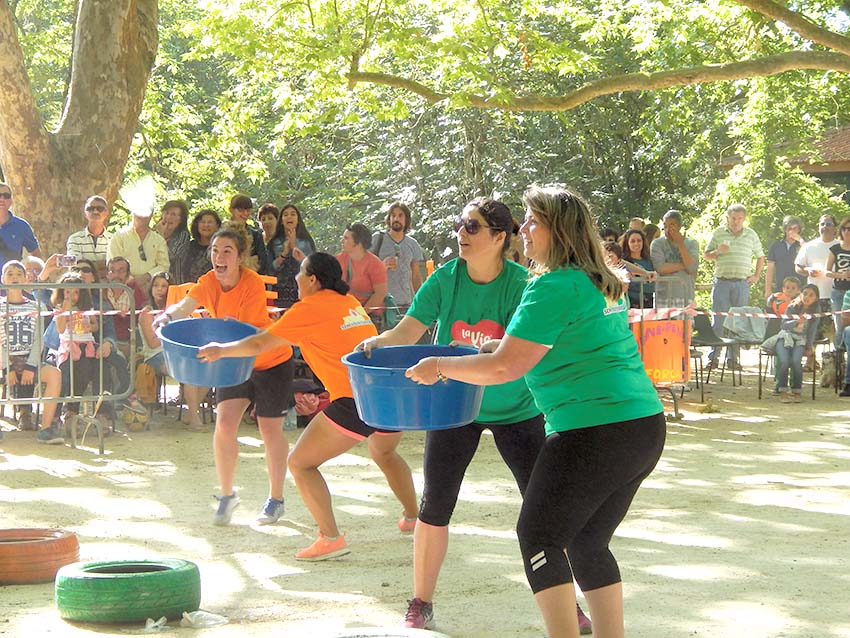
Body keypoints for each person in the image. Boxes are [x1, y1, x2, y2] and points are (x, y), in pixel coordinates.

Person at [407, 185, 665, 638]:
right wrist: (497, 347)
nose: (522, 229)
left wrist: (440, 365)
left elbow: (505, 367)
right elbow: (560, 345)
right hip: (642, 428)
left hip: (593, 431)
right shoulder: (597, 279)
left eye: (532, 221)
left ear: (557, 230)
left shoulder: (550, 285)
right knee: (587, 542)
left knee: (540, 537)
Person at [356, 198, 591, 633]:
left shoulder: (524, 284)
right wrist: (379, 342)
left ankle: (569, 604)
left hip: (517, 411)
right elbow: (411, 327)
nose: (461, 234)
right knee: (434, 508)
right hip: (454, 410)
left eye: (472, 227)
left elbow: (527, 353)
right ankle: (420, 603)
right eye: (460, 225)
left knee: (546, 513)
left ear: (500, 238)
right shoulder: (445, 278)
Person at [196, 252, 418, 561]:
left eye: (301, 273)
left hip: (356, 400)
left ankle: (330, 538)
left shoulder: (310, 307)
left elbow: (260, 344)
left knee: (299, 463)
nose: (296, 279)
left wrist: (221, 350)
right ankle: (413, 517)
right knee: (384, 452)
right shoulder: (349, 302)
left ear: (313, 280)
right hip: (389, 395)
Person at [154, 227, 294, 525]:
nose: (219, 257)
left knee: (270, 431)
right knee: (225, 425)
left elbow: (244, 332)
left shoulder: (252, 283)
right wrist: (166, 317)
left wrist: (219, 339)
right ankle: (228, 495)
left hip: (269, 360)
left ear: (240, 257)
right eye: (215, 251)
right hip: (233, 362)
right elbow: (186, 305)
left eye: (227, 251)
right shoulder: (208, 281)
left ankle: (276, 499)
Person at [0, 260, 62, 443]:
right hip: (4, 360)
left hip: (28, 360)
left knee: (54, 375)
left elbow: (38, 340)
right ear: (2, 278)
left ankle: (46, 429)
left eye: (19, 274)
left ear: (26, 279)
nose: (14, 278)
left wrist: (31, 365)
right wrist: (7, 367)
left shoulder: (37, 307)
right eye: (9, 274)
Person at [703, 204, 764, 370]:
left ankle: (733, 359)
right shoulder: (718, 232)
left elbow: (760, 256)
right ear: (727, 218)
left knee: (738, 322)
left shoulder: (751, 234)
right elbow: (706, 255)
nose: (736, 221)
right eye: (733, 218)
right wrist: (718, 251)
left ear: (744, 219)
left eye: (739, 218)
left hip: (742, 283)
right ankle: (713, 358)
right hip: (722, 281)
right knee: (718, 321)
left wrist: (756, 276)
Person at [795, 214, 838, 369]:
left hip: (835, 294)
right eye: (822, 224)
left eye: (828, 223)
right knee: (811, 330)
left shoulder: (841, 245)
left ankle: (835, 363)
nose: (824, 227)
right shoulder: (809, 246)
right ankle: (810, 361)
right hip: (813, 296)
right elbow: (798, 266)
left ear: (835, 228)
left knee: (833, 332)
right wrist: (808, 271)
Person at [370, 202, 424, 312]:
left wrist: (422, 301)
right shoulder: (377, 239)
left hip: (406, 305)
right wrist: (382, 266)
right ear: (389, 219)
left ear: (406, 220)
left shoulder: (412, 244)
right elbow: (363, 268)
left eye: (400, 215)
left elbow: (416, 276)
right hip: (381, 304)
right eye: (393, 215)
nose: (396, 218)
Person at [773, 284, 819, 403]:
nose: (807, 297)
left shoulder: (816, 312)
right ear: (800, 294)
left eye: (811, 295)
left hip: (800, 340)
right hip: (785, 337)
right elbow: (783, 325)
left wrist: (809, 347)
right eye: (805, 294)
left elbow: (812, 331)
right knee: (784, 361)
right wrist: (796, 321)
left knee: (796, 362)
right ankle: (783, 391)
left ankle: (797, 392)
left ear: (816, 299)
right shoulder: (792, 307)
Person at [107, 204, 169, 291]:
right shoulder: (118, 237)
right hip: (123, 288)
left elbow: (164, 266)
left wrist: (147, 276)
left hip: (150, 288)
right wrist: (133, 280)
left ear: (151, 214)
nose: (142, 215)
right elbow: (113, 263)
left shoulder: (159, 240)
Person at [337, 223, 388, 323]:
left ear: (358, 243)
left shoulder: (375, 264)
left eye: (346, 238)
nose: (341, 241)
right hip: (346, 313)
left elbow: (380, 294)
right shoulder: (340, 259)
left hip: (370, 316)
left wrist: (359, 315)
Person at [649, 210, 699, 306]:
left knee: (685, 321)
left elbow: (692, 268)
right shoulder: (657, 243)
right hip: (664, 297)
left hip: (686, 296)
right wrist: (685, 265)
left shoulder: (692, 243)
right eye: (665, 225)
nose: (668, 229)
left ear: (679, 226)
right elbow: (661, 268)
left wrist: (680, 244)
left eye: (672, 225)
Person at [272, 203, 316, 307]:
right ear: (281, 221)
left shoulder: (306, 242)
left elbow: (313, 268)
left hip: (302, 289)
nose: (289, 217)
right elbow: (271, 268)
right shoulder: (274, 242)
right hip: (280, 291)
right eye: (285, 214)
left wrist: (295, 248)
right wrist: (285, 252)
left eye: (293, 214)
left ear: (298, 220)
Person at [66, 195, 113, 279]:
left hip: (108, 289)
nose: (95, 211)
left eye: (100, 208)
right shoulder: (74, 239)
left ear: (106, 213)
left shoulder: (114, 239)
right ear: (85, 213)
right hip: (83, 289)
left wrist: (87, 267)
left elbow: (115, 268)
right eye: (90, 209)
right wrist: (104, 264)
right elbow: (75, 267)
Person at [0, 182, 40, 274]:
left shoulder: (21, 226)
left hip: (13, 284)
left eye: (6, 195)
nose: (2, 199)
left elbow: (35, 253)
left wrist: (34, 278)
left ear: (11, 200)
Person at [227, 194, 271, 275]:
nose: (245, 213)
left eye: (248, 210)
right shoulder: (221, 232)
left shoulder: (256, 235)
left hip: (249, 278)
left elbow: (263, 263)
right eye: (240, 210)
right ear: (231, 210)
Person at [764, 216, 803, 303]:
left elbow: (810, 255)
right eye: (789, 228)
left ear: (799, 230)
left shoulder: (803, 244)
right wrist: (768, 289)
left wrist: (800, 240)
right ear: (785, 230)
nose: (792, 231)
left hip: (799, 289)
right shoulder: (776, 245)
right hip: (780, 287)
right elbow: (770, 268)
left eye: (795, 228)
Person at [177, 209, 221, 284]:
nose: (206, 225)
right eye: (203, 222)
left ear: (217, 226)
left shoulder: (219, 248)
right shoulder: (189, 246)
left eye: (210, 222)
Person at [139, 272, 170, 376]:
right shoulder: (147, 312)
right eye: (155, 285)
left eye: (164, 286)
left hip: (175, 351)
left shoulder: (176, 310)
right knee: (181, 368)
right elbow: (152, 344)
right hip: (155, 354)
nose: (159, 289)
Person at [826, 216, 850, 346]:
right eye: (844, 229)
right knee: (840, 327)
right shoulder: (835, 249)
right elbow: (827, 272)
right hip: (838, 292)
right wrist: (841, 274)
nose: (847, 232)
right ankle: (837, 361)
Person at [154, 200, 191, 282]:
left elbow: (170, 257)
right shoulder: (153, 233)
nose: (168, 217)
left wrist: (161, 236)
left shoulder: (183, 235)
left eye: (173, 214)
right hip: (155, 282)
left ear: (181, 219)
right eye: (166, 213)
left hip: (175, 282)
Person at [620, 229, 656, 309]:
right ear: (627, 243)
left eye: (639, 240)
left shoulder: (649, 261)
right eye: (632, 241)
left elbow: (652, 285)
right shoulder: (622, 262)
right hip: (629, 303)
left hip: (647, 302)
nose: (636, 243)